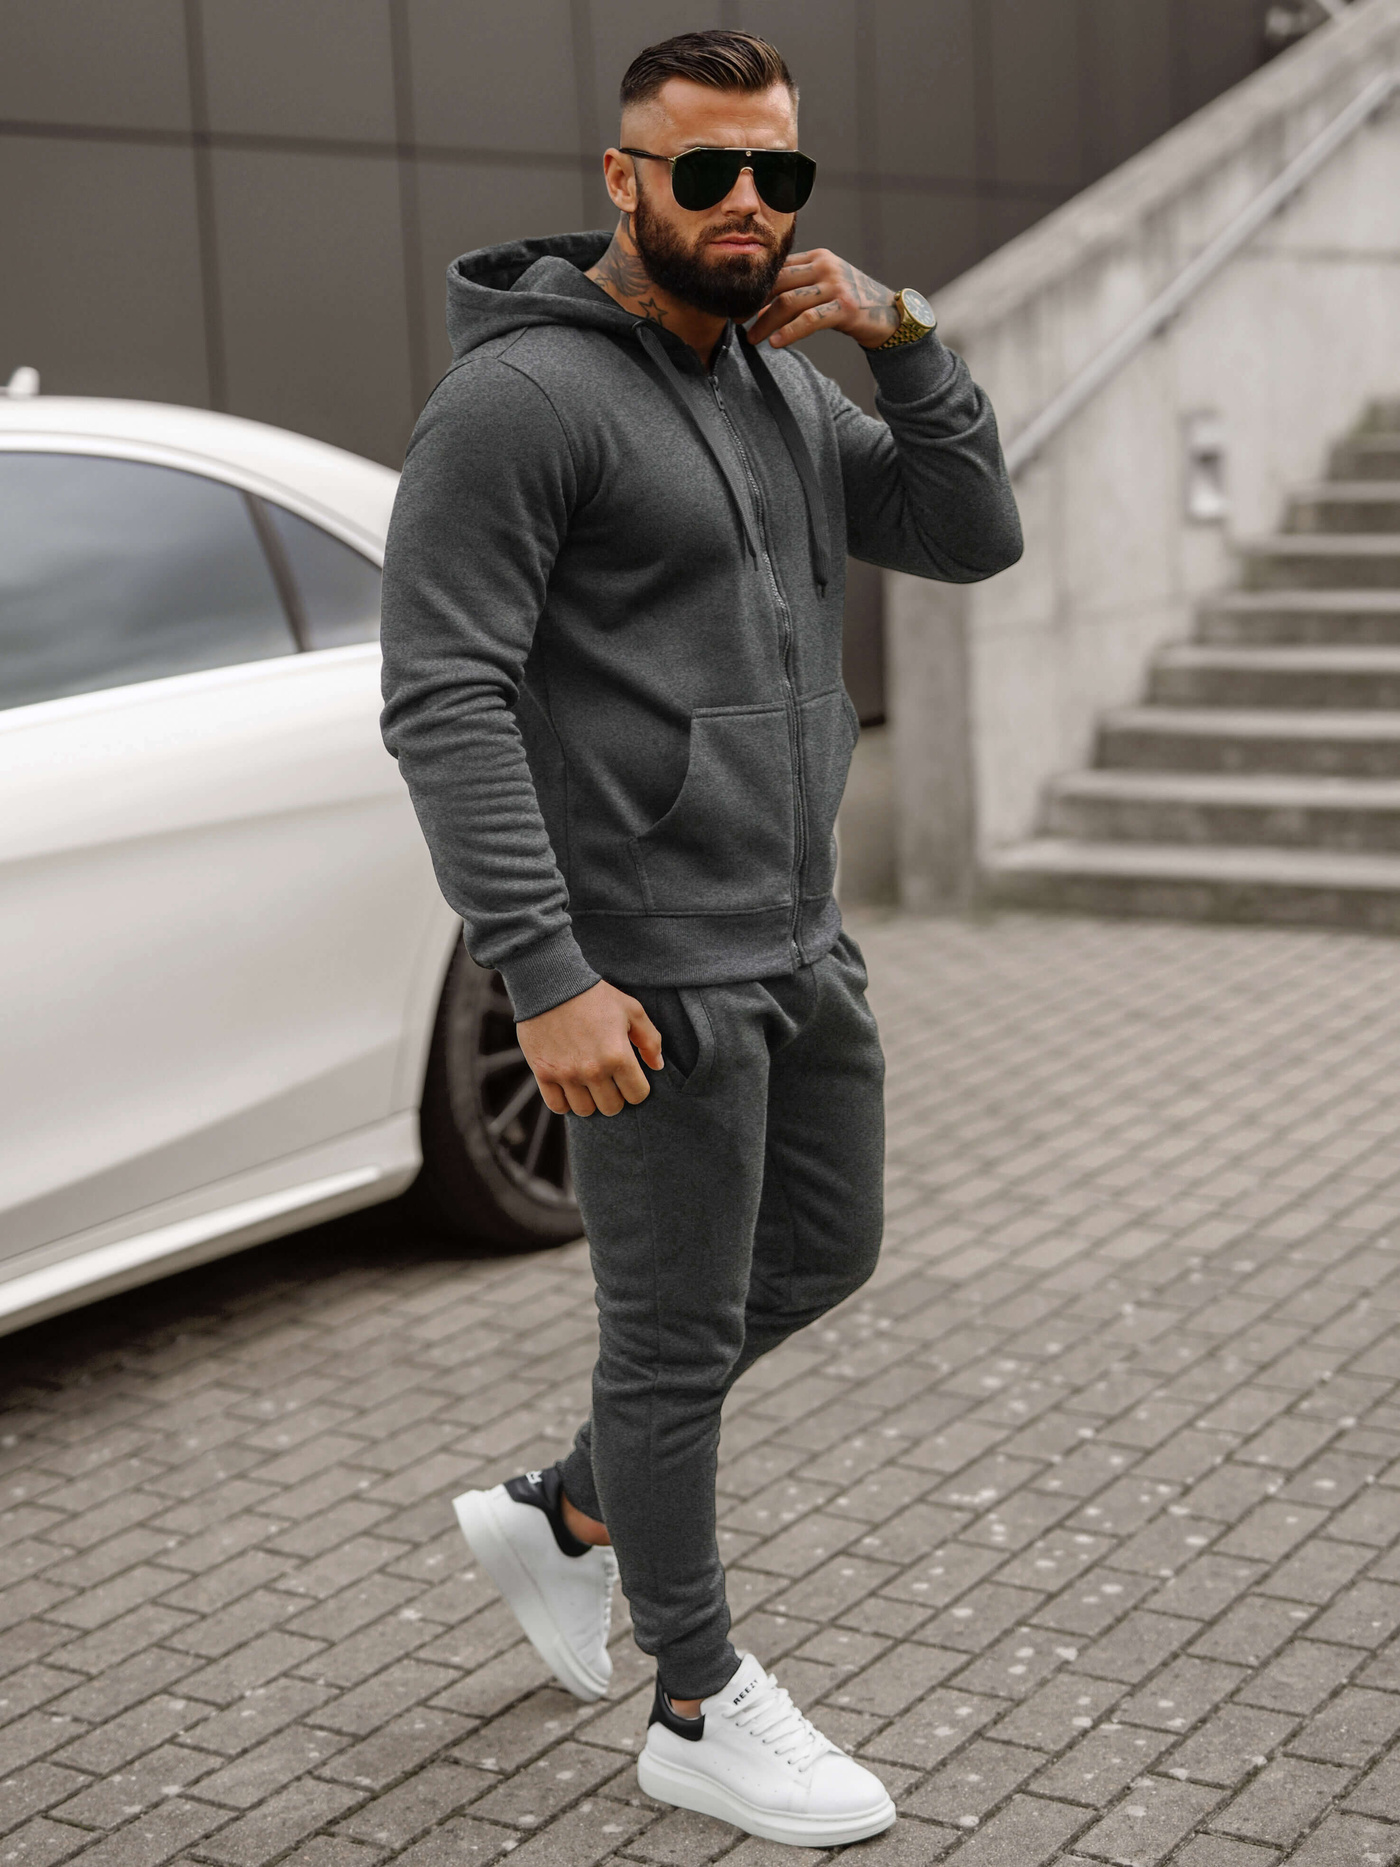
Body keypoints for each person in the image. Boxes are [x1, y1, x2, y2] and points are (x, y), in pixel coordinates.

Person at [379, 28, 1021, 1849]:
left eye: (778, 172)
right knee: (668, 1345)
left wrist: (906, 338)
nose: (748, 202)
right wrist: (544, 972)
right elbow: (442, 695)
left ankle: (566, 1514)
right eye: (707, 169)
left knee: (825, 1250)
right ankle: (695, 1702)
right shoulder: (519, 405)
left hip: (798, 939)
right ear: (624, 179)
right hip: (641, 968)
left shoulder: (781, 388)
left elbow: (972, 533)